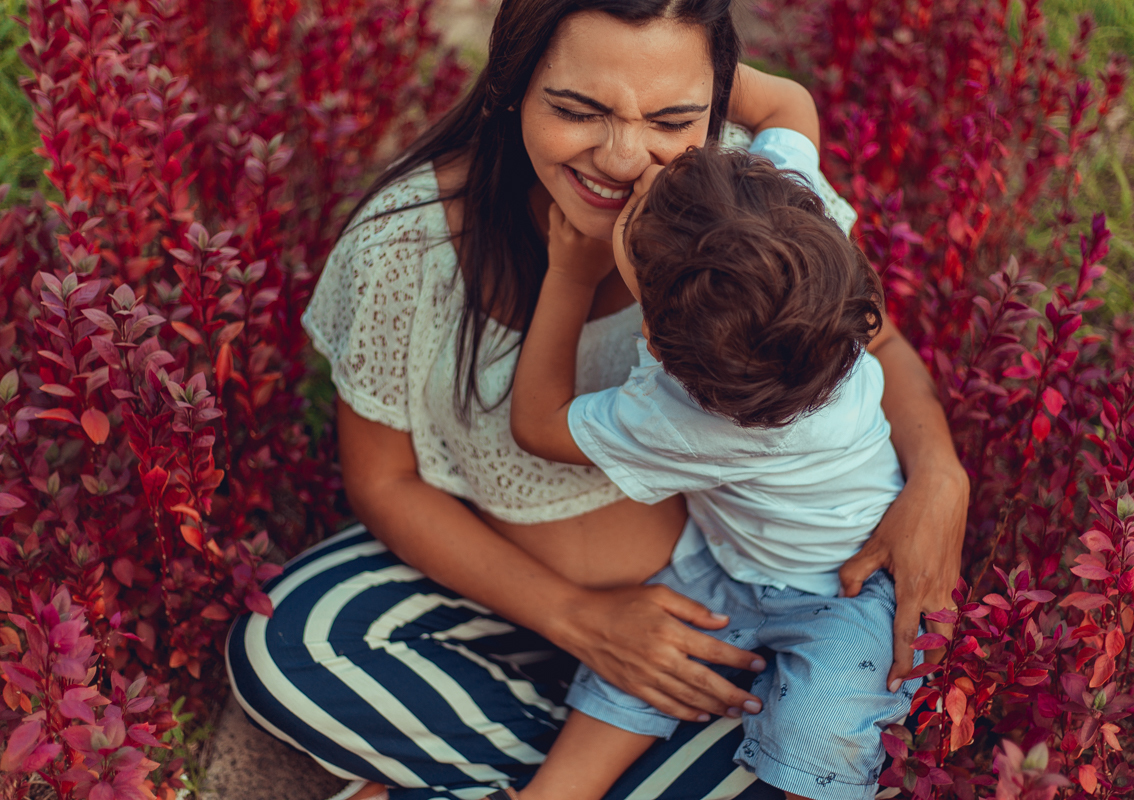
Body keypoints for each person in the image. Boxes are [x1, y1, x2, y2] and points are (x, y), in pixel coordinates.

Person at [224, 0, 969, 798]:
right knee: (289, 646)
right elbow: (383, 480)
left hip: (727, 618)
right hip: (519, 593)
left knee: (812, 738)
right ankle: (650, 763)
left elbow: (874, 345)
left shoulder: (752, 206)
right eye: (578, 110)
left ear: (716, 102)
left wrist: (939, 475)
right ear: (511, 84)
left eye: (674, 116)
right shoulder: (407, 244)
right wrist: (577, 618)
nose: (621, 158)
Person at [505, 138, 916, 800]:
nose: (642, 167)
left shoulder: (673, 414)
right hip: (743, 564)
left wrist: (571, 277)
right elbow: (788, 113)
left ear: (654, 342)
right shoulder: (805, 250)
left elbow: (536, 423)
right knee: (812, 734)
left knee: (807, 734)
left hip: (850, 587)